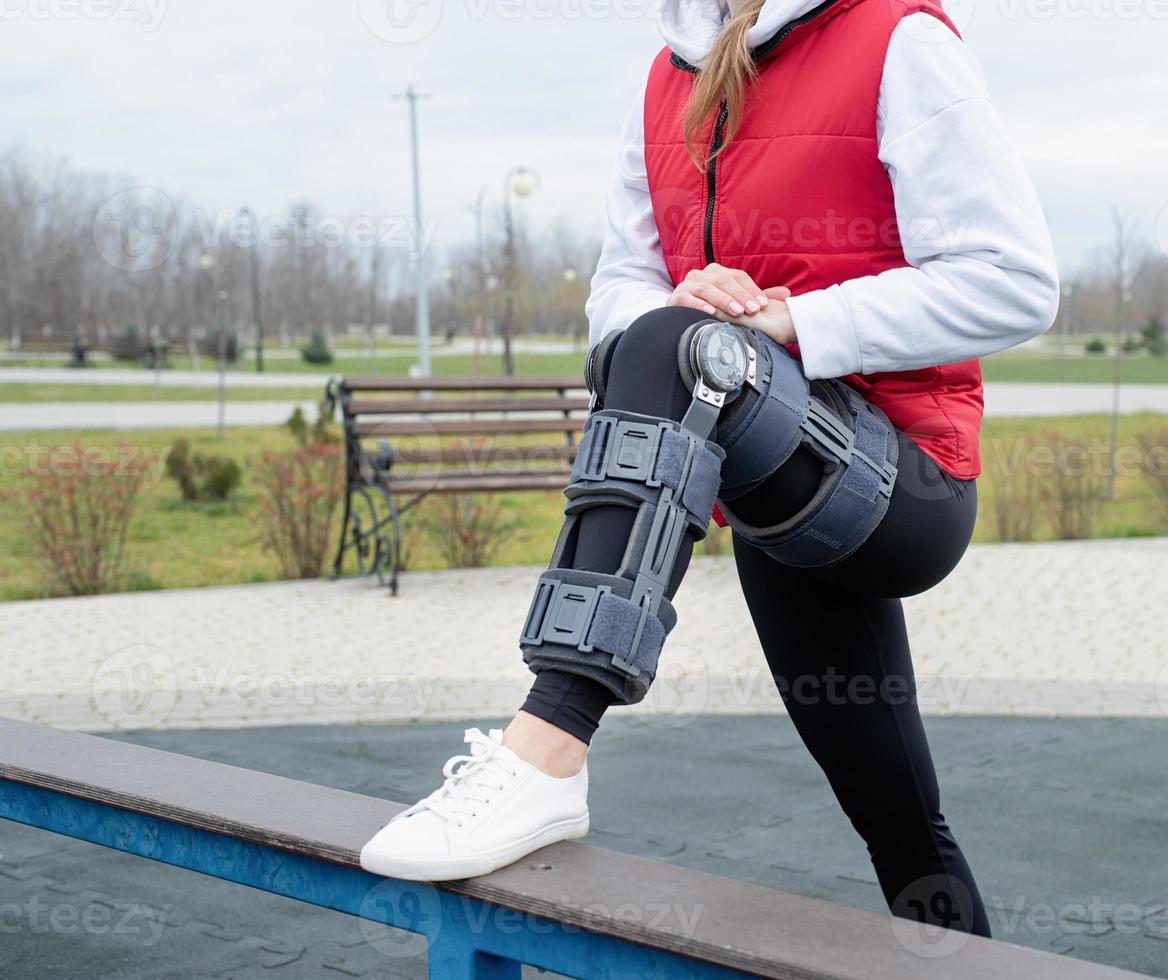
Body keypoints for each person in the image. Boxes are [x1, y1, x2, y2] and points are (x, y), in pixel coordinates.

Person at [361, 0, 1057, 938]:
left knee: (684, 346)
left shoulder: (898, 38)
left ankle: (549, 745)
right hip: (773, 487)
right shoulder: (664, 78)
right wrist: (682, 301)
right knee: (901, 825)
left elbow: (1015, 278)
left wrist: (792, 323)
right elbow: (618, 298)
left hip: (907, 481)